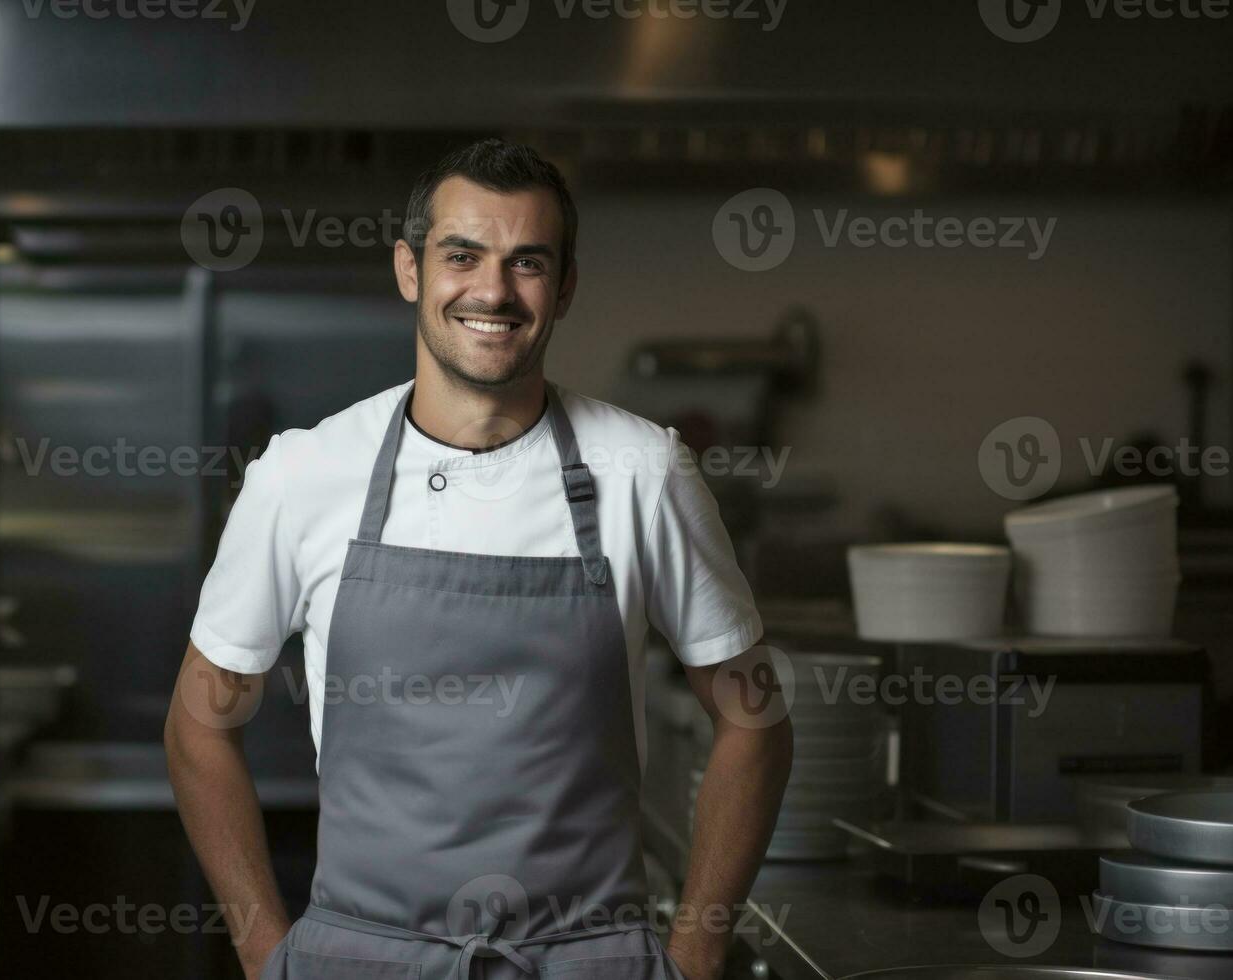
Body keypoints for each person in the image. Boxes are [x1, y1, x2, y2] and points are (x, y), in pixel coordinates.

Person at [165, 138, 792, 980]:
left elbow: (754, 720)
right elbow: (198, 722)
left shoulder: (643, 471)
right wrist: (265, 951)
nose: (492, 291)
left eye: (526, 262)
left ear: (564, 287)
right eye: (462, 255)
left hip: (586, 961)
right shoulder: (302, 475)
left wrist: (696, 952)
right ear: (409, 270)